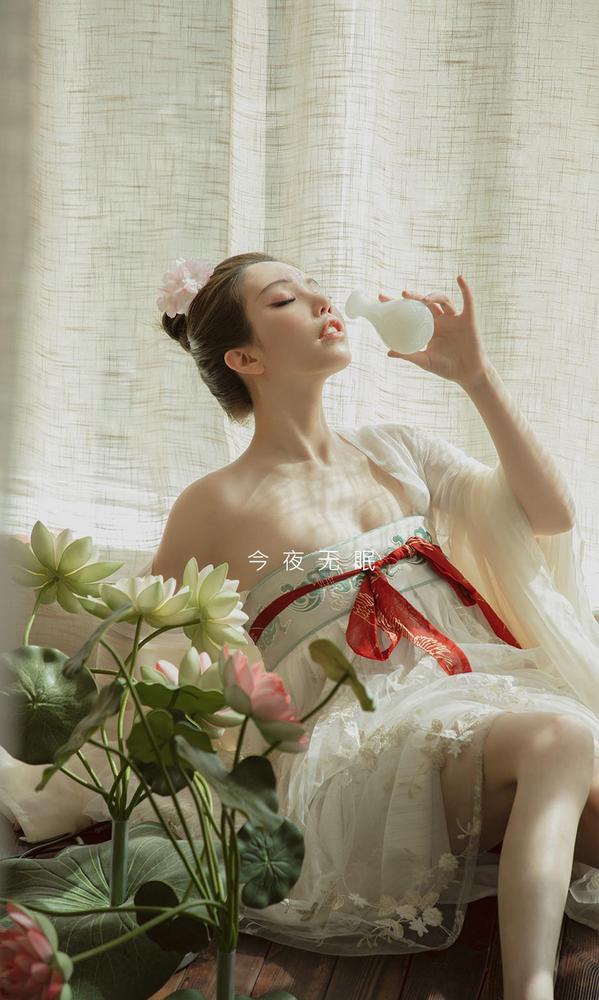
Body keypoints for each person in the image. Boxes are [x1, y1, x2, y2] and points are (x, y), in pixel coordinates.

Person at [152, 253, 599, 998]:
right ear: (245, 358)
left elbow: (549, 517)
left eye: (320, 292)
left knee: (573, 759)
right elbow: (146, 643)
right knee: (562, 736)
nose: (325, 305)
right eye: (288, 300)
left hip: (481, 713)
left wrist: (476, 377)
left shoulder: (398, 450)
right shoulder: (214, 505)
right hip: (360, 766)